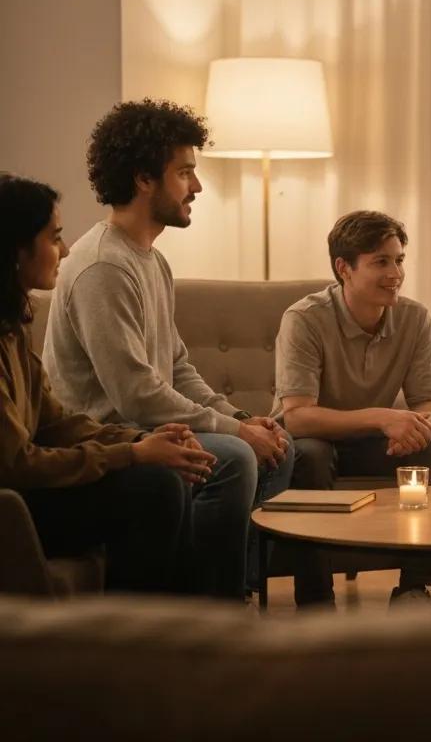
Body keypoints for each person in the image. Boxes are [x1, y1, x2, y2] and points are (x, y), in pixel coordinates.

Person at [42, 99, 293, 600]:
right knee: (236, 457)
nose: (196, 188)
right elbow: (136, 396)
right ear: (143, 179)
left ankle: (226, 590)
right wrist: (236, 432)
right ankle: (212, 610)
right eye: (185, 173)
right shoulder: (103, 268)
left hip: (155, 423)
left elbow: (177, 367)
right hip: (115, 433)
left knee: (277, 450)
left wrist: (240, 415)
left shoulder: (150, 261)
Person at [0, 174, 215, 593]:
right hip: (13, 507)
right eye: (54, 237)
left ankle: (187, 628)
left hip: (29, 493)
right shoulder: (100, 265)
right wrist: (131, 454)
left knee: (167, 472)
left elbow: (56, 422)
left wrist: (144, 441)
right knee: (155, 488)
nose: (63, 250)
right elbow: (17, 464)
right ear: (15, 251)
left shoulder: (12, 329)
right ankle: (127, 637)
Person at [274, 209, 431, 608]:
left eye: (399, 260)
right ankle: (316, 598)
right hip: (313, 438)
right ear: (345, 268)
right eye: (381, 262)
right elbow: (298, 416)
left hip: (373, 441)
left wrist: (419, 426)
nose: (396, 273)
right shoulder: (304, 319)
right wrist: (383, 417)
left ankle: (413, 589)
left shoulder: (414, 318)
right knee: (310, 457)